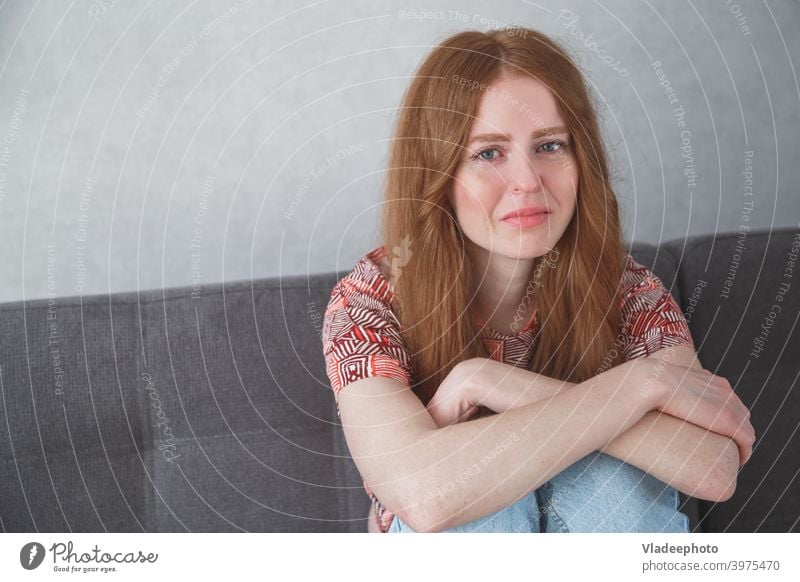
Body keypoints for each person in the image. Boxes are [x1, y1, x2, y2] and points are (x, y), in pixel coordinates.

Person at [321, 26, 755, 534]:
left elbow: (713, 468)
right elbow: (424, 497)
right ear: (436, 175)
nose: (527, 180)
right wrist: (637, 394)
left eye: (550, 145)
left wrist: (487, 381)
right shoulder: (370, 298)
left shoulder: (629, 290)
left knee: (606, 485)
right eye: (488, 153)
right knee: (480, 496)